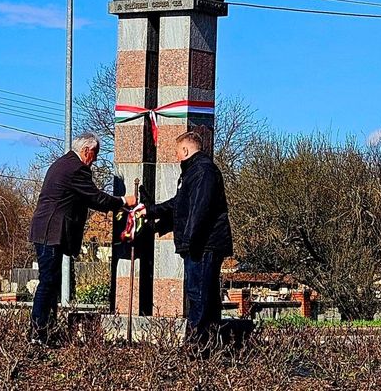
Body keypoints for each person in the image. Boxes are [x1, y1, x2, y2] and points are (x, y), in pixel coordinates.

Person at [29, 132, 137, 345]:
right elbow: (94, 198)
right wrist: (124, 200)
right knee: (48, 282)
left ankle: (45, 331)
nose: (95, 159)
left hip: (45, 230)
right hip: (52, 232)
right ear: (87, 151)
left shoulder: (62, 164)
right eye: (94, 154)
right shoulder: (77, 169)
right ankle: (38, 333)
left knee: (51, 282)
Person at [142, 131, 233, 346]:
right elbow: (178, 205)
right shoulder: (194, 172)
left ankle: (196, 347)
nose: (176, 158)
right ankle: (208, 344)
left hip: (203, 245)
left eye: (177, 152)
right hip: (200, 244)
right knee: (203, 295)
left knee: (199, 296)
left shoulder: (202, 171)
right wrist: (151, 211)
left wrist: (190, 241)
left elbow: (199, 209)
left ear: (185, 150)